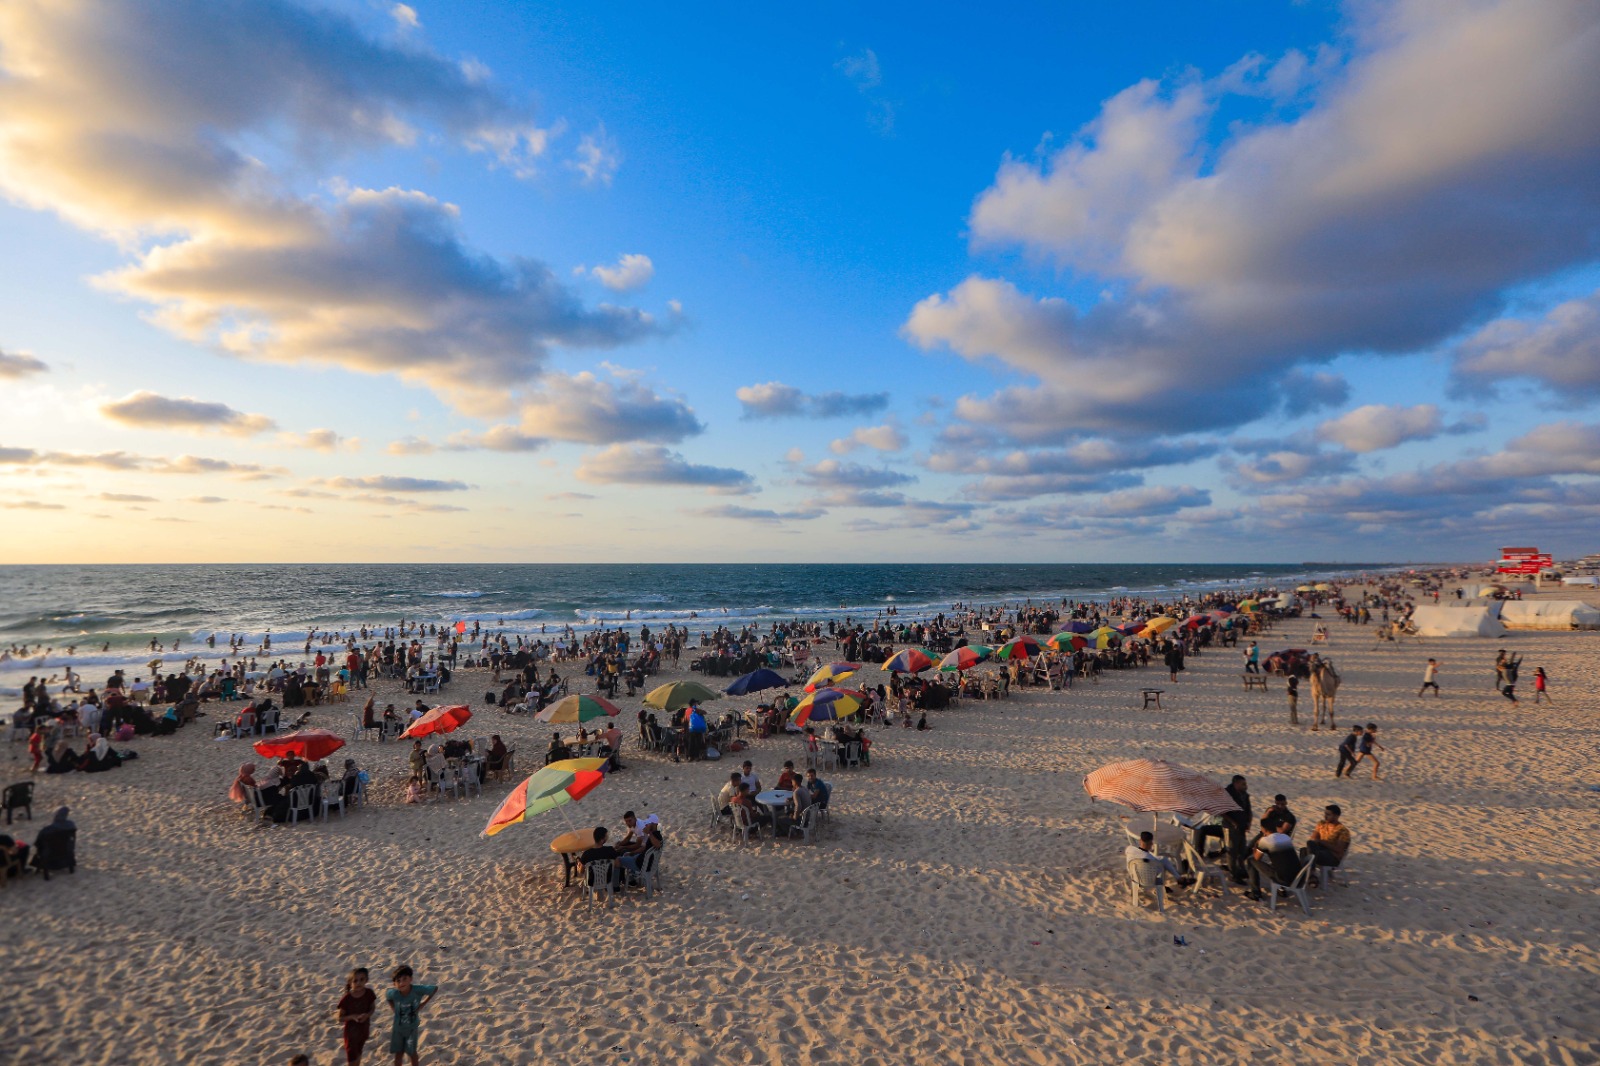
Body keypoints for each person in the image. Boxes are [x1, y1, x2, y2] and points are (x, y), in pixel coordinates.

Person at [385, 965, 437, 1066]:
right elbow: (387, 996)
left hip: (411, 1029)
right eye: (398, 981)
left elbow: (434, 989)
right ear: (394, 984)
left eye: (404, 979)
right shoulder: (394, 993)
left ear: (411, 979)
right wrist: (393, 1008)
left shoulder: (418, 990)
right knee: (398, 1053)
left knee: (412, 1053)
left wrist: (423, 1004)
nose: (401, 983)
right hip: (398, 1029)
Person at [1247, 819, 1300, 900]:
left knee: (1251, 861)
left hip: (1284, 879)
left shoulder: (1265, 841)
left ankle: (1255, 893)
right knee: (1279, 861)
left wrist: (1256, 845)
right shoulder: (1285, 837)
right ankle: (1281, 889)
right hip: (1298, 876)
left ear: (1263, 829)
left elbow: (1256, 858)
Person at [338, 966, 377, 1066]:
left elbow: (372, 1008)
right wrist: (352, 1016)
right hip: (351, 1033)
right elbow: (340, 1018)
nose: (358, 983)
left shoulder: (369, 993)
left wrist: (367, 1015)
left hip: (363, 1030)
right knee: (351, 1058)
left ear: (366, 980)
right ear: (350, 983)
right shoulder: (347, 999)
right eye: (355, 981)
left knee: (359, 1052)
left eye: (361, 979)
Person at [1304, 804, 1352, 876]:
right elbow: (1314, 838)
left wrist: (1322, 842)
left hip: (1332, 856)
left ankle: (1310, 874)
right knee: (1305, 849)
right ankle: (1310, 875)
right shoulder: (1322, 824)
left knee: (1308, 853)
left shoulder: (1343, 831)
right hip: (1320, 850)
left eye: (1328, 814)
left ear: (1336, 816)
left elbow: (1339, 849)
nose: (1325, 816)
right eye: (1325, 814)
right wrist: (1317, 841)